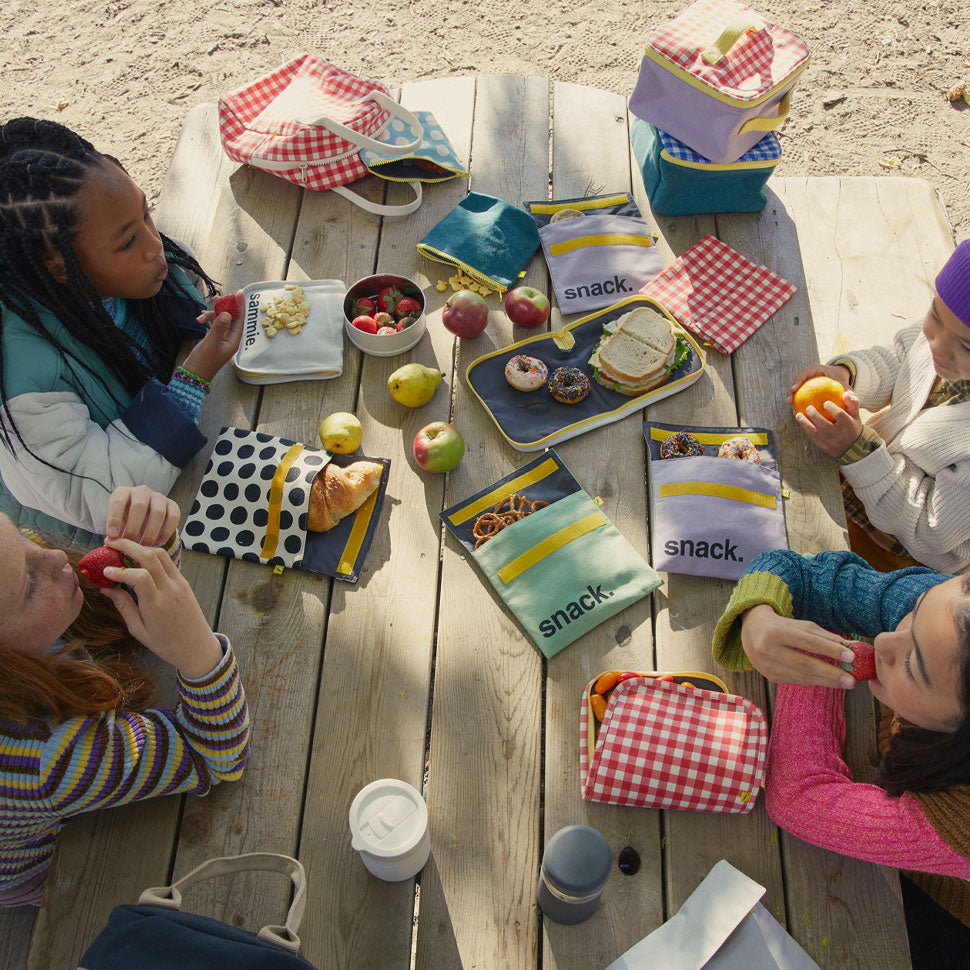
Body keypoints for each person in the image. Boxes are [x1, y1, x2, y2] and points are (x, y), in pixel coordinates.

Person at [712, 548, 970, 967]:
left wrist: (821, 658)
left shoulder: (958, 828)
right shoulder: (951, 621)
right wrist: (758, 617)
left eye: (912, 665)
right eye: (916, 610)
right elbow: (813, 576)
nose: (885, 640)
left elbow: (798, 796)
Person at [0, 485, 250, 907]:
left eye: (19, 534)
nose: (56, 556)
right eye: (27, 586)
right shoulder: (43, 758)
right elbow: (215, 759)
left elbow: (110, 611)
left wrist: (149, 552)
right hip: (45, 865)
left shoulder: (21, 576)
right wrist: (199, 655)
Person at [0, 116, 244, 547]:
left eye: (146, 211)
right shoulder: (22, 384)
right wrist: (191, 380)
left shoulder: (111, 265)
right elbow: (116, 497)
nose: (155, 244)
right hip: (93, 551)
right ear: (59, 267)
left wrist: (196, 319)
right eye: (128, 241)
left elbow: (170, 263)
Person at [786, 239, 970, 574]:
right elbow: (898, 362)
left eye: (967, 346)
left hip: (894, 556)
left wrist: (858, 450)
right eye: (934, 315)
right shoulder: (943, 339)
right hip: (857, 481)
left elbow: (931, 530)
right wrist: (847, 375)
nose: (937, 347)